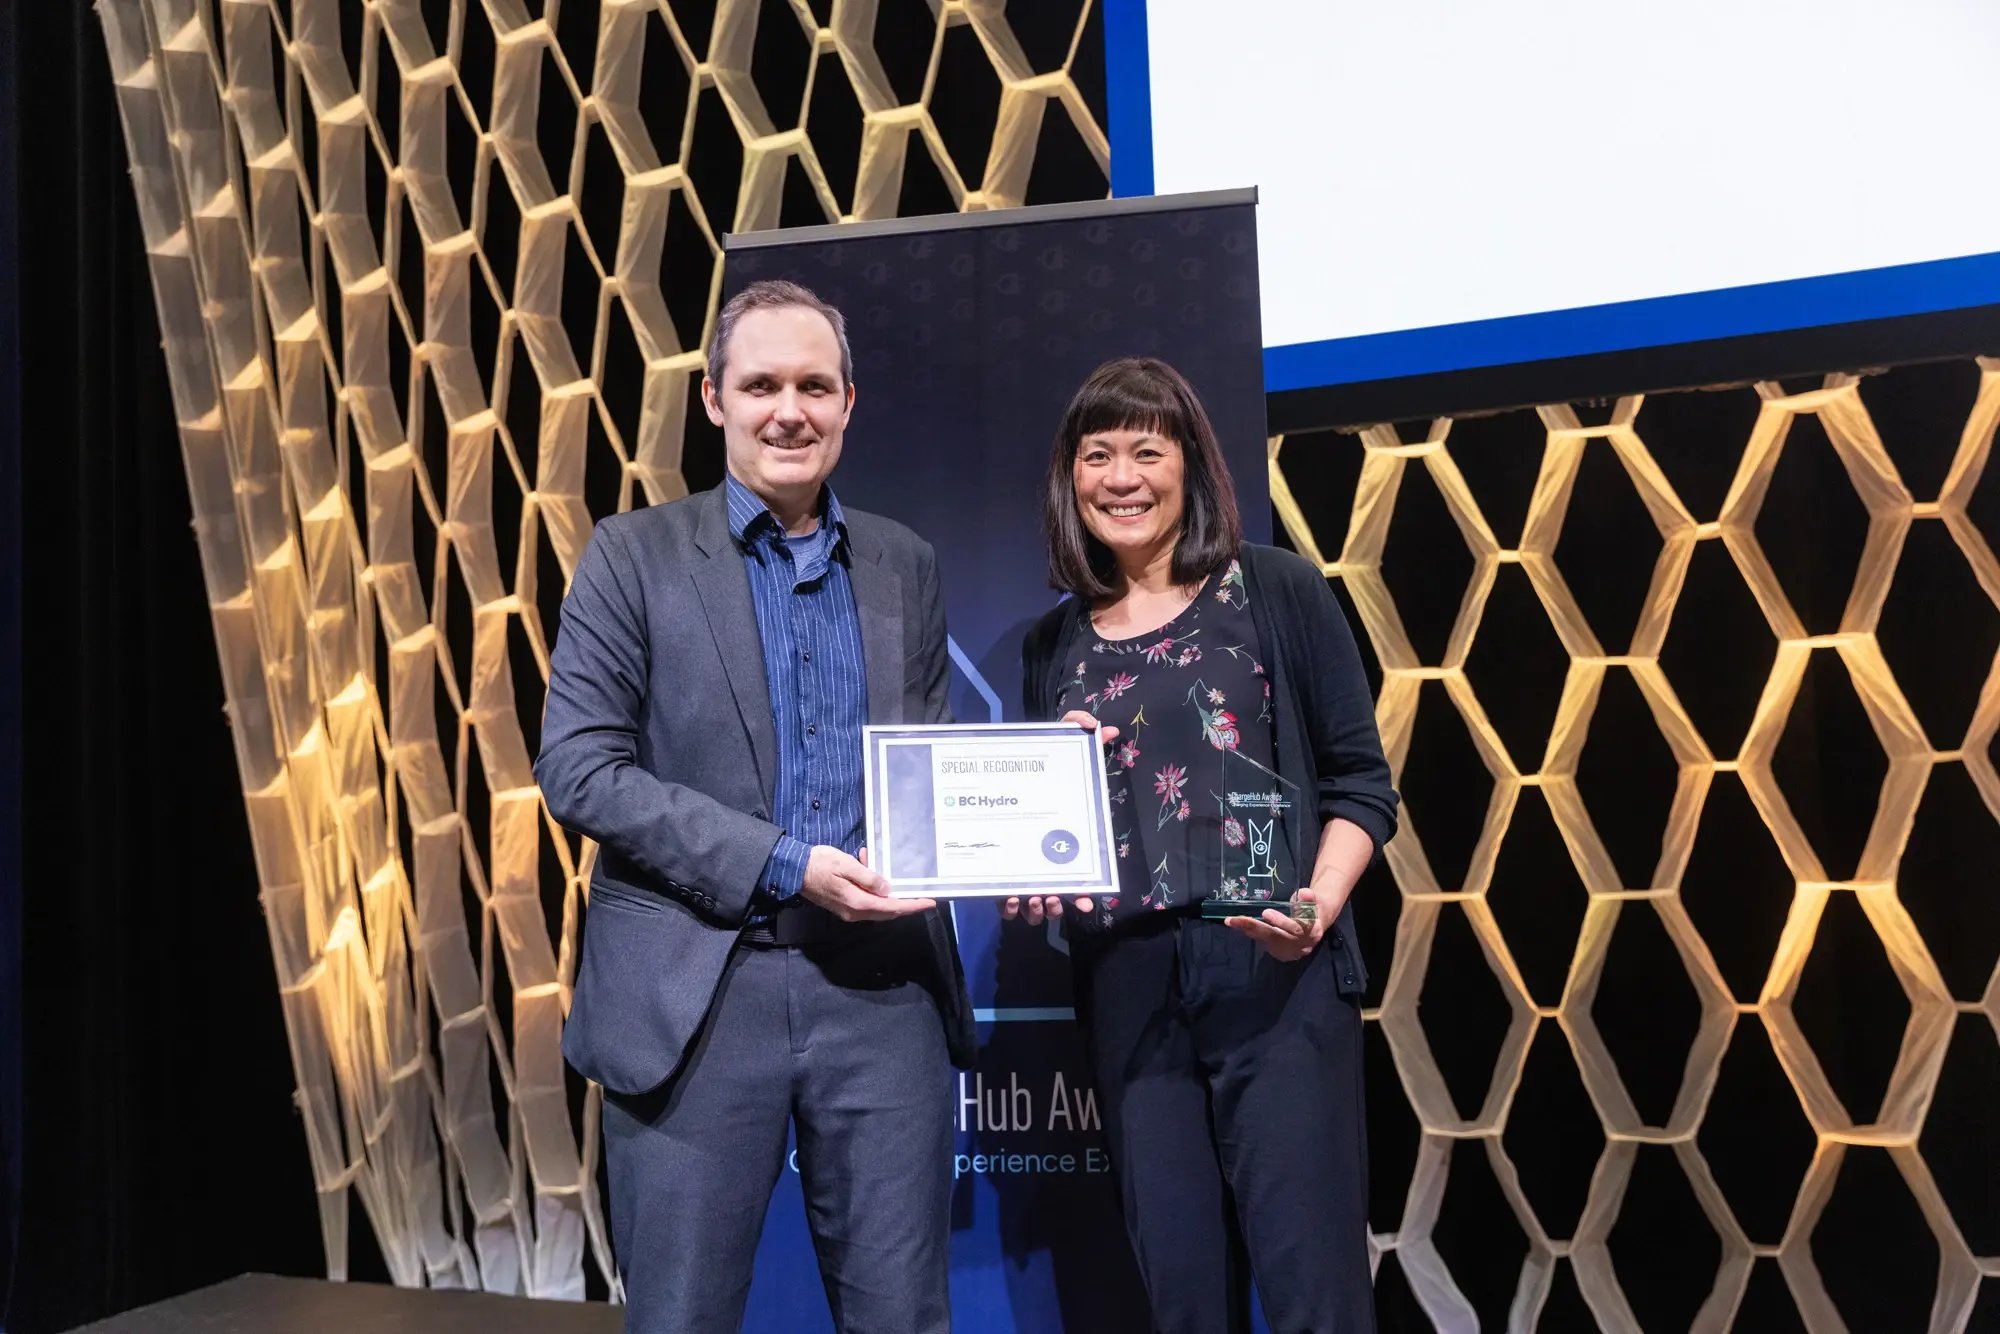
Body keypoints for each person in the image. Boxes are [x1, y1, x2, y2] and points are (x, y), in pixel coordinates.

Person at [536, 279, 973, 1333]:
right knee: (680, 1319)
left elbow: (929, 765)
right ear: (714, 398)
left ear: (848, 402)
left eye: (813, 385)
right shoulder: (632, 557)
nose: (790, 408)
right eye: (762, 383)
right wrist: (785, 860)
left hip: (879, 997)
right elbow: (579, 767)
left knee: (903, 1319)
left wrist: (1037, 816)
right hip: (695, 997)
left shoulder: (902, 561)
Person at [1008, 356, 1398, 1333]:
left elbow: (1359, 784)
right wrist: (1032, 869)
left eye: (1148, 448)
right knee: (1180, 1296)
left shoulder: (1273, 589)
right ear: (1070, 476)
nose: (1123, 475)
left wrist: (1310, 907)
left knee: (1315, 1295)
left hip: (1274, 967)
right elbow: (1057, 833)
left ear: (1189, 465)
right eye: (1098, 453)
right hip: (1129, 984)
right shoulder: (1049, 645)